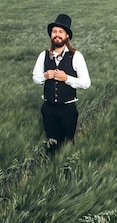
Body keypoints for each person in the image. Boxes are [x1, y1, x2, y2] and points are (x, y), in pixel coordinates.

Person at [32, 14, 91, 154]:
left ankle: (67, 169)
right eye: (54, 32)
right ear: (51, 35)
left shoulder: (76, 56)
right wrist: (45, 76)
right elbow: (35, 77)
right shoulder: (43, 55)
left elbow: (86, 83)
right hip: (48, 108)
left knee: (68, 144)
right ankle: (51, 168)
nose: (57, 35)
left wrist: (67, 78)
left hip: (68, 110)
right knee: (52, 144)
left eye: (60, 32)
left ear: (67, 36)